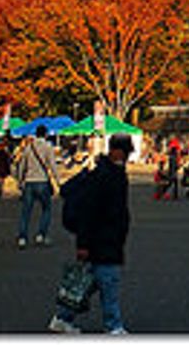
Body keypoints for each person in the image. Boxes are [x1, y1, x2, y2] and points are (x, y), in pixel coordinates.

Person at [49, 132, 133, 335]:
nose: (127, 156)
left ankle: (63, 317)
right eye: (125, 152)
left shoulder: (106, 172)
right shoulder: (106, 176)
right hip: (103, 238)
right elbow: (89, 212)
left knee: (89, 281)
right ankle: (113, 325)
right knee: (108, 282)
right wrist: (83, 244)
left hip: (103, 237)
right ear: (116, 151)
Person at [16, 127, 61, 248]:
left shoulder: (28, 147)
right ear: (45, 134)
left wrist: (20, 182)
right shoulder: (48, 147)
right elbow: (52, 165)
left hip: (29, 182)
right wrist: (58, 182)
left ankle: (22, 237)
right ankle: (41, 234)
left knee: (26, 212)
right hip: (42, 181)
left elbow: (22, 166)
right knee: (46, 209)